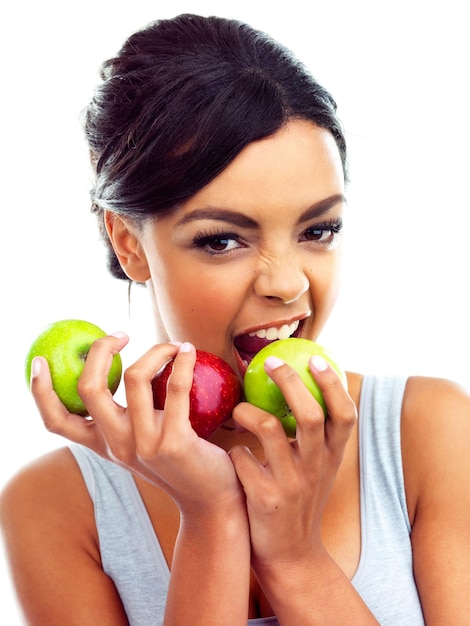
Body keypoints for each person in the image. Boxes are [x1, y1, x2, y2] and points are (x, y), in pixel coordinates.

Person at [1, 13, 470, 625]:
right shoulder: (55, 507)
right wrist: (212, 516)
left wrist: (296, 557)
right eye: (223, 240)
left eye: (318, 229)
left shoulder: (429, 435)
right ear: (129, 244)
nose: (289, 283)